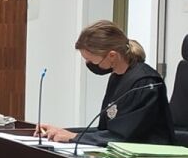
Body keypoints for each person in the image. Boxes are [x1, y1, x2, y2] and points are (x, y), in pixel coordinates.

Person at [35, 20, 175, 146]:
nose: (89, 64)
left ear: (112, 55)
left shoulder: (144, 82)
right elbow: (105, 131)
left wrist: (74, 137)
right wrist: (61, 131)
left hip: (148, 157)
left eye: (92, 60)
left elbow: (124, 136)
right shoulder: (116, 77)